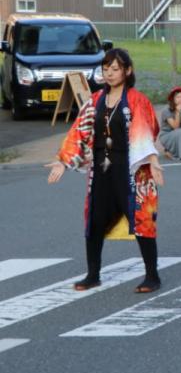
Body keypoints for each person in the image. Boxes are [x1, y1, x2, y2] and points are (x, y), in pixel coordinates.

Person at [46, 48, 165, 294]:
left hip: (130, 168)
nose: (109, 74)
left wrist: (152, 160)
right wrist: (63, 160)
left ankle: (152, 275)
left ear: (127, 71)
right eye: (106, 69)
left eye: (115, 69)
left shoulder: (136, 99)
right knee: (95, 221)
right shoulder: (96, 99)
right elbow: (79, 130)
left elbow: (147, 131)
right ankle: (93, 274)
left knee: (141, 219)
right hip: (101, 168)